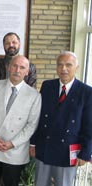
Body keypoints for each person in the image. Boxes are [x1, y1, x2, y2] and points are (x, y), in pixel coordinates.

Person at [30, 51, 92, 186]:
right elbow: (39, 117)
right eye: (60, 65)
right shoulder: (47, 86)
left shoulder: (86, 92)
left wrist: (85, 153)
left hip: (67, 150)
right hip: (44, 147)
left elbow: (89, 126)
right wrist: (33, 143)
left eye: (68, 65)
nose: (64, 69)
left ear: (77, 67)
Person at [0, 55, 42, 186]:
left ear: (27, 72)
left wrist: (12, 143)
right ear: (9, 67)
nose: (17, 70)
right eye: (14, 66)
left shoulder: (34, 96)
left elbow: (31, 125)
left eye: (22, 67)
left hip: (15, 151)